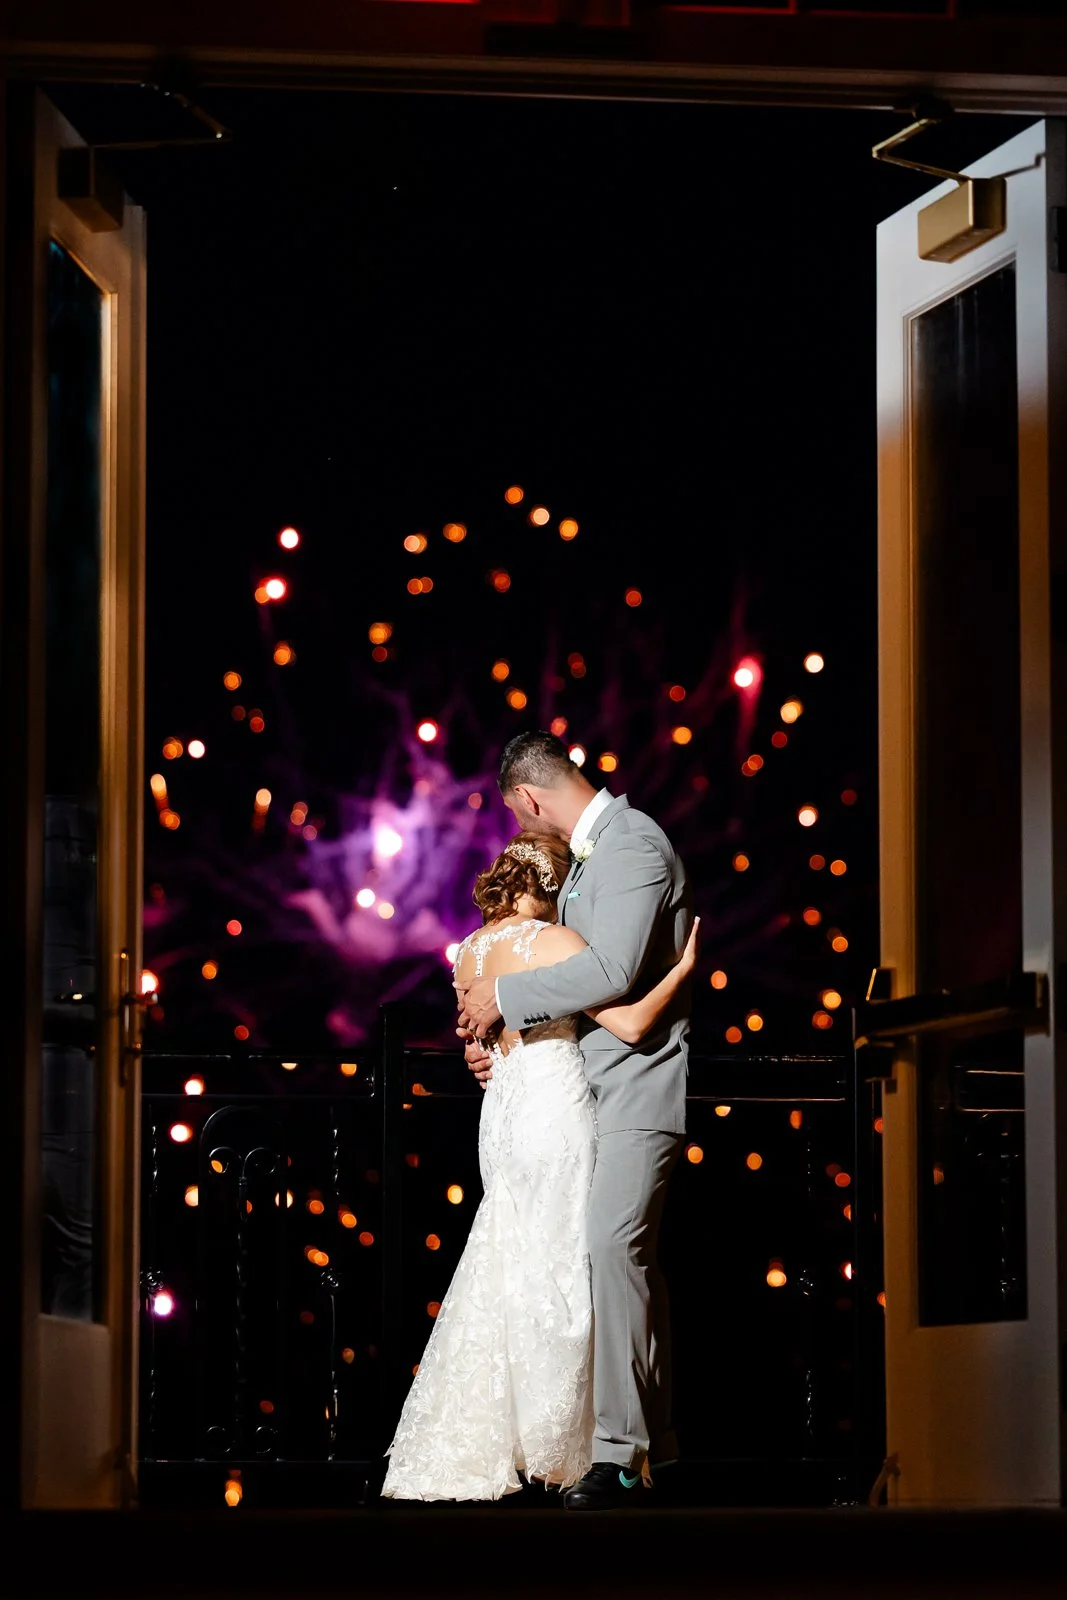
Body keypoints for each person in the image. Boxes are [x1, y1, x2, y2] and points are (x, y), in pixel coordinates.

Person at [380, 830, 698, 1503]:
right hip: (554, 1114)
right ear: (554, 888)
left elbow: (481, 1043)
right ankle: (569, 1443)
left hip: (500, 1120)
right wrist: (679, 968)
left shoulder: (468, 951)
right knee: (563, 1265)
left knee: (507, 1256)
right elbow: (633, 1023)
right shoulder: (552, 943)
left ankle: (495, 1436)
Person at [457, 730, 693, 1511]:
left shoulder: (632, 845)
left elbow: (612, 972)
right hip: (587, 1094)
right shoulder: (597, 856)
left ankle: (621, 1457)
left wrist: (506, 1002)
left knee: (610, 1250)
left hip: (634, 1095)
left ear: (526, 800)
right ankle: (655, 1443)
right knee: (625, 1262)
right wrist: (508, 1049)